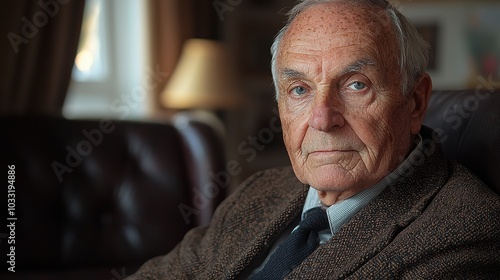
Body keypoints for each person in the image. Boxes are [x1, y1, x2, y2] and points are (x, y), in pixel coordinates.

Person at [128, 0, 500, 279]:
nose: (322, 119)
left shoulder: (468, 230)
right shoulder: (261, 190)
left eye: (356, 85)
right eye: (300, 89)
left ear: (414, 103)